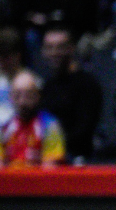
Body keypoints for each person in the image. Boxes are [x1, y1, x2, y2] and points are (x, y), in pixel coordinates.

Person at [38, 24, 101, 162]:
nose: (54, 53)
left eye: (60, 47)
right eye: (49, 48)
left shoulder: (87, 84)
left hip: (76, 158)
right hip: (47, 157)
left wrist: (54, 148)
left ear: (71, 48)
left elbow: (84, 130)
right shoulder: (47, 85)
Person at [0, 69, 65, 168]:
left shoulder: (50, 127)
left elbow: (50, 171)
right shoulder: (4, 128)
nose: (22, 102)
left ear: (38, 96)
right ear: (10, 97)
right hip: (11, 182)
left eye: (28, 95)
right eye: (17, 95)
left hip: (38, 182)